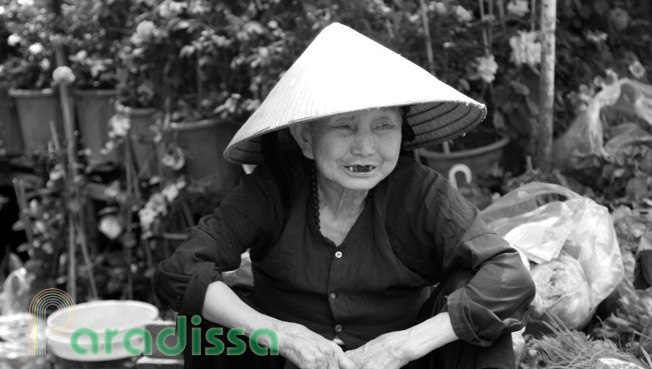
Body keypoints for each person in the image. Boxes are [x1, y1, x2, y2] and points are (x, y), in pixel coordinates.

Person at [153, 22, 535, 369]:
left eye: (384, 125)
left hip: (399, 366)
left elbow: (509, 275)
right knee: (205, 315)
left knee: (480, 308)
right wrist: (282, 334)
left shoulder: (419, 192)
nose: (366, 147)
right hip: (287, 363)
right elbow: (181, 270)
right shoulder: (275, 188)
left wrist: (401, 346)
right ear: (306, 139)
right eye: (345, 126)